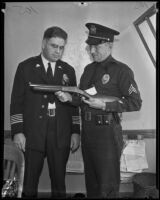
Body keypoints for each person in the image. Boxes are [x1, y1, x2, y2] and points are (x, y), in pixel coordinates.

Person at [56, 23, 142, 198]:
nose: (92, 50)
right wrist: (69, 98)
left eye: (96, 46)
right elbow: (81, 99)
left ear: (109, 45)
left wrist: (105, 106)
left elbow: (135, 103)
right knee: (92, 185)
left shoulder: (121, 71)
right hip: (88, 134)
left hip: (108, 136)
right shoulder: (88, 70)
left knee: (107, 186)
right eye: (90, 46)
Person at [10, 26, 80, 198]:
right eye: (53, 46)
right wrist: (18, 132)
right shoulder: (26, 67)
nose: (58, 51)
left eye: (61, 47)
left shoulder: (68, 70)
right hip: (33, 134)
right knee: (29, 182)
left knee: (59, 182)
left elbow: (74, 104)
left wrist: (75, 132)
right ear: (43, 44)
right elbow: (16, 102)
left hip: (60, 134)